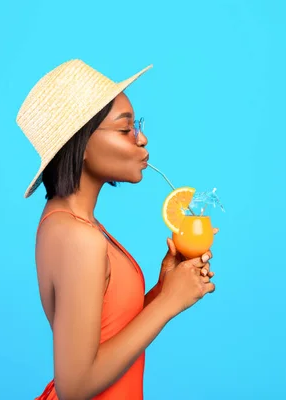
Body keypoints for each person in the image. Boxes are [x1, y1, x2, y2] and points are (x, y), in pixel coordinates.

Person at [16, 59, 217, 400]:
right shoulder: (79, 237)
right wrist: (167, 303)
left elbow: (104, 334)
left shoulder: (68, 222)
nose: (142, 139)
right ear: (80, 143)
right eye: (126, 130)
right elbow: (75, 387)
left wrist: (161, 290)